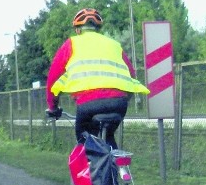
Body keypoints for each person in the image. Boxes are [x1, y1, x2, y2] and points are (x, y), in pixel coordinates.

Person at [45, 8, 149, 149]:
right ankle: (120, 168)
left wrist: (53, 107)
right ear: (98, 29)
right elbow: (131, 75)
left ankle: (91, 167)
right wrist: (123, 97)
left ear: (78, 30)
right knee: (109, 138)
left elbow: (53, 78)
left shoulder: (72, 44)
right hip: (119, 103)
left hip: (88, 104)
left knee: (85, 142)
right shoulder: (114, 45)